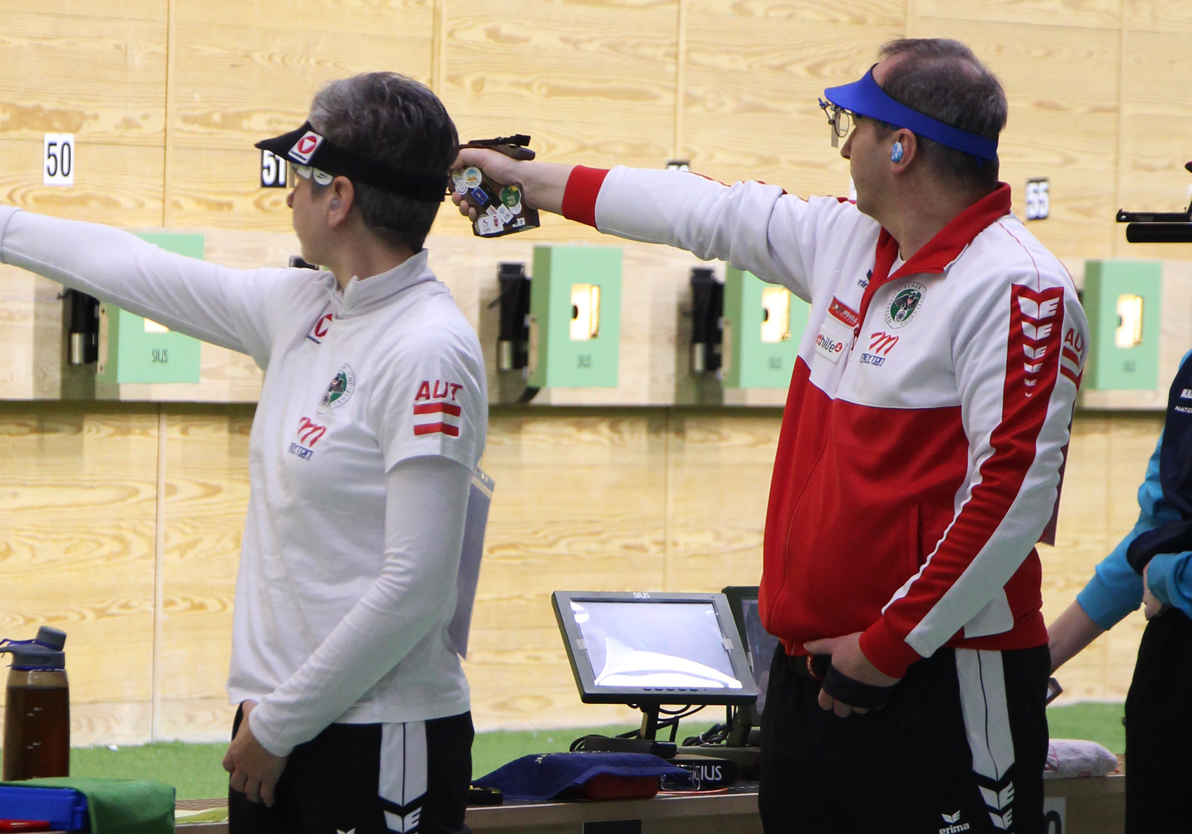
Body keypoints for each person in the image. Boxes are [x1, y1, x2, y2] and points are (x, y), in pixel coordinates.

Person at [455, 39, 1085, 833]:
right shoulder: (851, 241)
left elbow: (1010, 500)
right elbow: (703, 210)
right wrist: (525, 182)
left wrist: (888, 646)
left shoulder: (1019, 286)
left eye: (852, 124)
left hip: (941, 676)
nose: (844, 142)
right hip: (810, 672)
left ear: (902, 147)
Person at [0, 72, 486, 834]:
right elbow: (130, 267)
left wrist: (280, 723)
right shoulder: (307, 309)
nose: (287, 194)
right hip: (279, 725)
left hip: (376, 735)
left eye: (300, 177)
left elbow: (418, 587)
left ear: (340, 198)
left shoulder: (428, 347)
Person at [1048, 349, 1192, 833]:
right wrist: (1040, 659)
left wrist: (1173, 577)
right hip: (1174, 675)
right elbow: (1155, 529)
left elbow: (1160, 562)